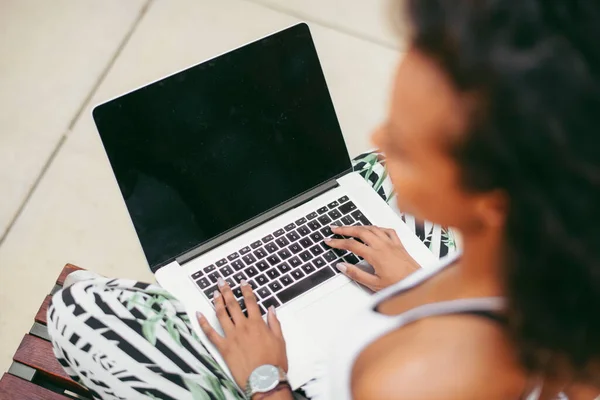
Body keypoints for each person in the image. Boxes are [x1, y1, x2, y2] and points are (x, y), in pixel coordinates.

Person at [47, 0, 600, 398]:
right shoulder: (557, 262)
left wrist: (266, 381)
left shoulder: (419, 379)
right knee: (348, 181)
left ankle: (181, 201)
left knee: (77, 311)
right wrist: (419, 279)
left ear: (494, 203)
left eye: (405, 146)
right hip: (418, 294)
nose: (381, 141)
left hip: (298, 382)